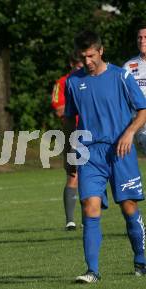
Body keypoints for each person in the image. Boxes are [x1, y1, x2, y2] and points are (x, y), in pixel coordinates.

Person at [64, 30, 146, 283]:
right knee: (89, 206)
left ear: (101, 51)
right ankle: (92, 271)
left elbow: (143, 110)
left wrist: (130, 132)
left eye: (91, 55)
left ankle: (141, 259)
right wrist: (70, 150)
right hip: (89, 153)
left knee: (128, 207)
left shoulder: (121, 76)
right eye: (82, 57)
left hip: (120, 150)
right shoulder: (73, 82)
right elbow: (68, 119)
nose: (87, 61)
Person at [51, 53, 83, 230]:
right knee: (73, 175)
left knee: (94, 175)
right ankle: (70, 220)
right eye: (78, 64)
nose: (82, 66)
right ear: (71, 63)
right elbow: (59, 108)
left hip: (94, 134)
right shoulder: (63, 82)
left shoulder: (92, 80)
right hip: (73, 133)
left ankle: (90, 216)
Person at [124, 23, 146, 153]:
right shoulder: (128, 67)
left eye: (145, 37)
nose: (142, 40)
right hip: (141, 125)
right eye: (139, 37)